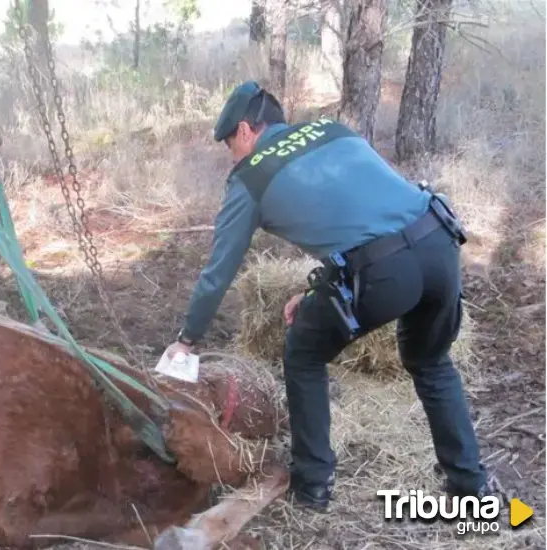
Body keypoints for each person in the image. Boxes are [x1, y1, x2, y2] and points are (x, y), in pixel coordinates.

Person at [162, 80, 491, 512]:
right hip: (440, 242)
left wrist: (186, 339)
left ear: (245, 131)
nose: (233, 156)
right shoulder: (334, 131)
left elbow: (217, 272)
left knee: (302, 353)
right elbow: (366, 213)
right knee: (431, 361)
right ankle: (469, 482)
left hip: (384, 272)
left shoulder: (251, 175)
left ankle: (313, 483)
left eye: (230, 145)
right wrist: (319, 289)